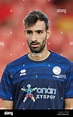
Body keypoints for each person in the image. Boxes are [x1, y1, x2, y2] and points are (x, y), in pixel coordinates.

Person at [0, 10, 73, 110]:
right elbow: (6, 108)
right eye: (30, 32)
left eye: (39, 32)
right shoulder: (12, 69)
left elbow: (70, 106)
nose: (34, 38)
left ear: (48, 33)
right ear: (25, 34)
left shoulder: (66, 66)